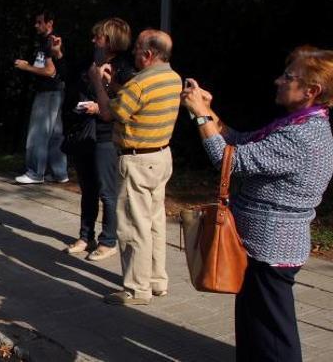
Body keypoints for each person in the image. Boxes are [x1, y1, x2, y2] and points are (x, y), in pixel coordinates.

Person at [181, 46, 333, 361]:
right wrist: (209, 113)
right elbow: (240, 140)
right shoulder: (297, 125)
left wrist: (199, 116)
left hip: (273, 248)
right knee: (254, 327)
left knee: (274, 336)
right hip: (258, 245)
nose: (278, 81)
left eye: (288, 77)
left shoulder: (302, 137)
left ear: (311, 91)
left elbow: (228, 160)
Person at [88, 29, 182, 305]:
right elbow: (135, 103)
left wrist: (98, 83)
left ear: (149, 54)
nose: (134, 54)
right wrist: (115, 85)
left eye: (137, 50)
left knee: (132, 226)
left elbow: (109, 113)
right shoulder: (171, 77)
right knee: (154, 222)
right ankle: (156, 280)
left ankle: (136, 289)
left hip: (137, 160)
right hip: (161, 156)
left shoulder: (139, 84)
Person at [64, 18, 135, 261]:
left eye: (99, 36)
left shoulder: (124, 68)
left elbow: (129, 102)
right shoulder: (91, 62)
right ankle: (86, 236)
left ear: (111, 40)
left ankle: (108, 240)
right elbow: (69, 82)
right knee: (88, 189)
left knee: (108, 190)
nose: (94, 40)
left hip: (106, 135)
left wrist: (103, 100)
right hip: (84, 132)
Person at [14, 9, 68, 184]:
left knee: (38, 132)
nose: (36, 25)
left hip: (48, 91)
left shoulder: (50, 42)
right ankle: (59, 172)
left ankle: (35, 172)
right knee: (55, 134)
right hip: (56, 92)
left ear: (49, 23)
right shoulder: (47, 41)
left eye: (39, 22)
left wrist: (26, 67)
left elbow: (50, 71)